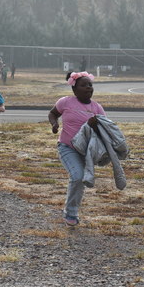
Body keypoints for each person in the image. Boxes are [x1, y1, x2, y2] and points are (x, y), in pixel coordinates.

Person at [48, 71, 105, 226]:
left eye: (90, 85)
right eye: (83, 85)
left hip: (87, 152)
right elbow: (53, 114)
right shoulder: (65, 102)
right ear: (74, 89)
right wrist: (54, 124)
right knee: (77, 176)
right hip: (67, 147)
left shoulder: (97, 108)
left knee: (80, 180)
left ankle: (71, 210)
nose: (88, 88)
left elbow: (105, 129)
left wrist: (96, 126)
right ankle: (71, 214)